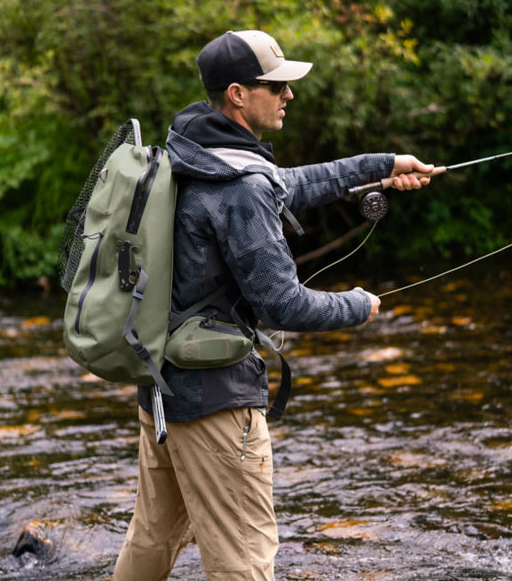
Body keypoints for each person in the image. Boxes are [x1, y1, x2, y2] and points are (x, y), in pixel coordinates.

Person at [113, 29, 433, 581]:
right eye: (277, 86)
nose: (289, 95)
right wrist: (357, 306)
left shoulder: (191, 150)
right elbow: (282, 305)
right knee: (246, 559)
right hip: (214, 402)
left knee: (153, 540)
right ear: (239, 94)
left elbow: (287, 183)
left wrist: (381, 165)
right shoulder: (238, 185)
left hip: (162, 387)